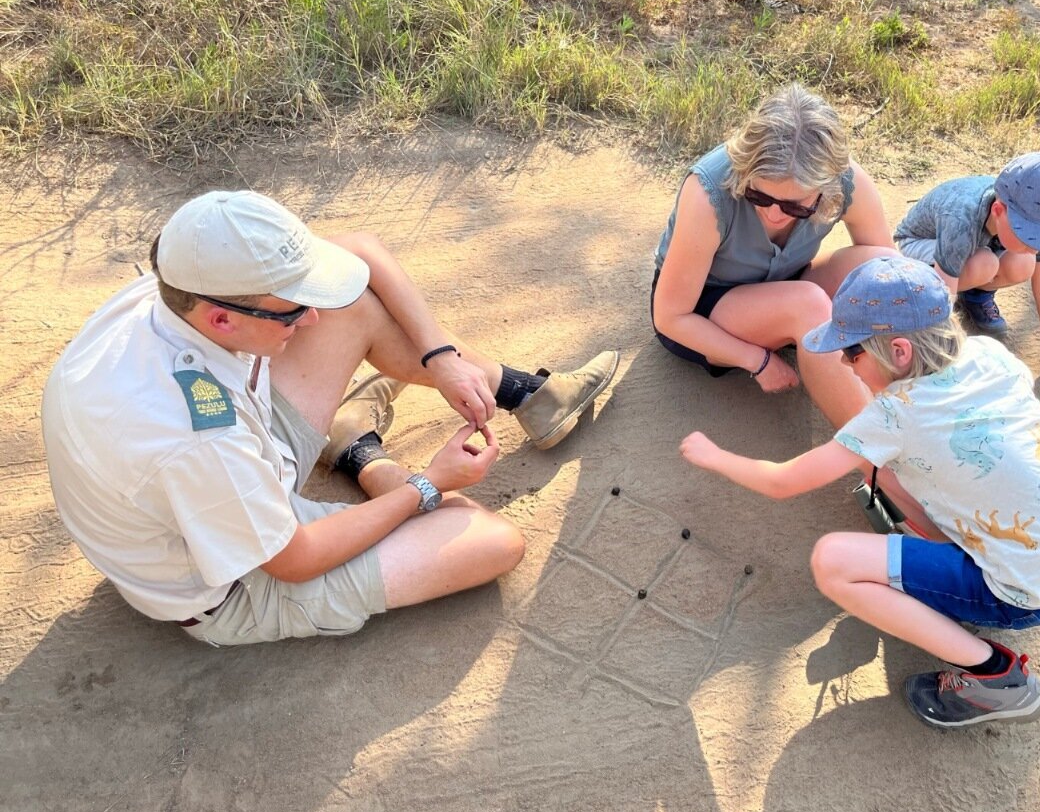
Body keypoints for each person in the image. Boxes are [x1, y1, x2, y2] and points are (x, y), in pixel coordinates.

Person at [42, 190, 618, 646]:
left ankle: (524, 396)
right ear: (221, 320)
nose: (312, 318)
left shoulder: (172, 292)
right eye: (293, 310)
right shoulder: (195, 440)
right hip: (235, 583)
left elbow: (361, 251)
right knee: (490, 539)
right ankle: (362, 456)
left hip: (239, 463)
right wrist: (429, 483)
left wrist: (441, 359)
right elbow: (294, 561)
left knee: (355, 301)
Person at [680, 256, 1040, 727]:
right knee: (924, 495)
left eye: (852, 352)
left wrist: (714, 456)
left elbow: (782, 481)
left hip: (1023, 594)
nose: (842, 363)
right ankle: (967, 589)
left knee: (833, 561)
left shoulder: (895, 416)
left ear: (898, 352)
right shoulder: (989, 355)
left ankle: (995, 676)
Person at [651, 83, 896, 429]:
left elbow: (897, 284)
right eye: (759, 197)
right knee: (808, 304)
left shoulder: (847, 181)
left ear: (826, 188)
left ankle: (915, 404)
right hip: (706, 307)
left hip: (786, 283)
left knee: (883, 268)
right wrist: (758, 361)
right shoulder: (708, 191)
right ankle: (880, 462)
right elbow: (670, 317)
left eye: (795, 206)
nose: (774, 216)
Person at [893, 151, 1040, 383]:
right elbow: (943, 295)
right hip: (918, 246)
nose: (1036, 248)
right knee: (984, 264)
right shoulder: (961, 220)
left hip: (976, 249)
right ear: (998, 211)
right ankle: (910, 307)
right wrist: (943, 361)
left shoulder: (1034, 215)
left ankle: (975, 296)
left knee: (1024, 263)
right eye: (1029, 237)